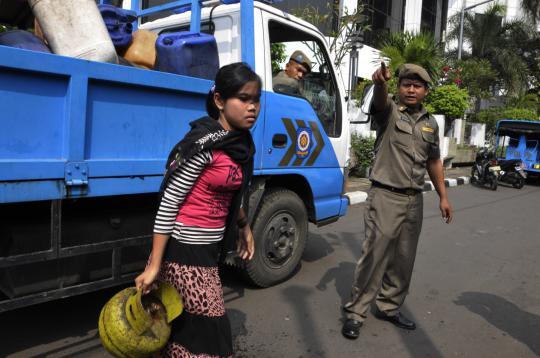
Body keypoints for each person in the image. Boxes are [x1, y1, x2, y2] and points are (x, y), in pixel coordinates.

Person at [135, 62, 260, 357]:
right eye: (243, 99)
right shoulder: (203, 146)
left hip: (209, 250)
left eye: (256, 100)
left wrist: (244, 227)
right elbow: (168, 204)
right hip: (184, 251)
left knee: (185, 328)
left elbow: (232, 196)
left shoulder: (240, 145)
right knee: (210, 335)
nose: (252, 107)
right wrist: (154, 265)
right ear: (219, 101)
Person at [341, 62, 453, 339]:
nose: (411, 89)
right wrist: (380, 84)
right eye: (406, 85)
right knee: (375, 256)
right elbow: (380, 102)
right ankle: (356, 312)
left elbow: (434, 161)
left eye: (417, 86)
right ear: (399, 88)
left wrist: (443, 196)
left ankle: (389, 307)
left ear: (426, 90)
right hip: (386, 195)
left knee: (404, 259)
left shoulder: (430, 123)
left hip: (414, 199)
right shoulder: (390, 112)